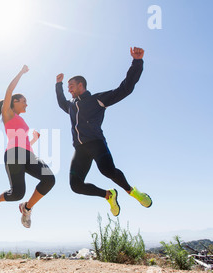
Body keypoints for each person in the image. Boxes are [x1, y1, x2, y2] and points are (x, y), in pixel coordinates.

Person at [55, 47, 152, 217]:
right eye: (68, 87)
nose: (69, 89)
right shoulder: (71, 106)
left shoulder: (96, 100)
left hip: (96, 144)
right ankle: (109, 195)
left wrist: (137, 62)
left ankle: (133, 192)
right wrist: (58, 85)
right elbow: (61, 101)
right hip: (80, 149)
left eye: (71, 86)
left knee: (107, 171)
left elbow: (125, 89)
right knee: (76, 186)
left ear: (81, 85)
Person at [0, 65, 55, 228]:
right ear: (14, 102)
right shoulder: (8, 114)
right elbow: (9, 90)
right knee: (17, 193)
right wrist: (21, 73)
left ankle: (27, 208)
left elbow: (21, 142)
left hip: (27, 154)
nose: (26, 105)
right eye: (24, 101)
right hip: (13, 154)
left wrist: (33, 141)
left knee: (49, 179)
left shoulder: (21, 120)